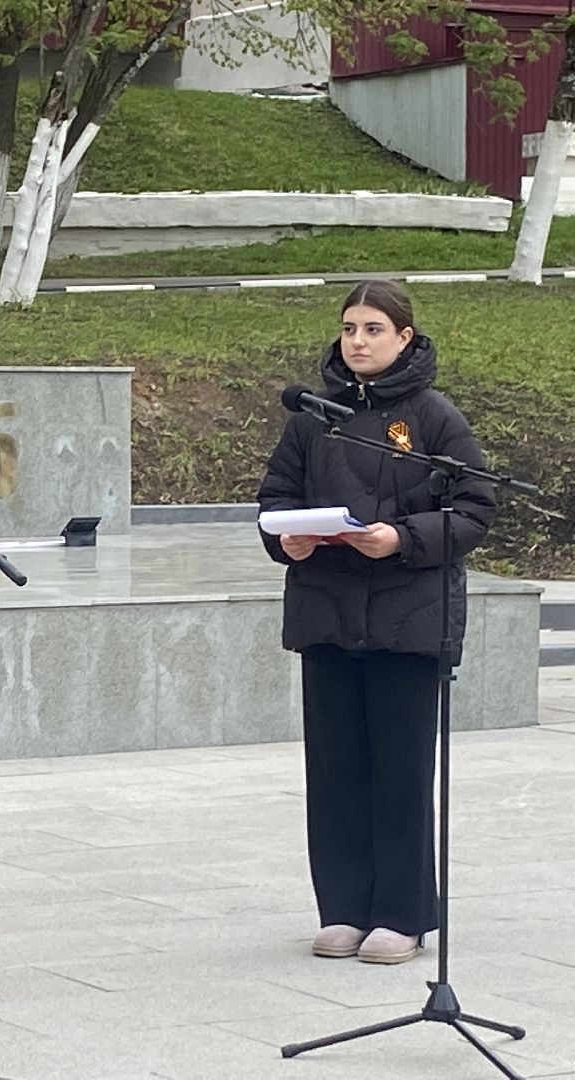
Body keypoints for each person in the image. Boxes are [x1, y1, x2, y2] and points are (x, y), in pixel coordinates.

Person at [256, 280, 495, 965]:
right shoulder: (310, 419)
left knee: (400, 768)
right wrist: (285, 539)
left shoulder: (432, 417)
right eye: (349, 328)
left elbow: (475, 506)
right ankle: (343, 909)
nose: (357, 340)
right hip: (327, 615)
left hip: (407, 619)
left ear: (405, 339)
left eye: (372, 329)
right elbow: (275, 498)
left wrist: (402, 539)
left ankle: (402, 914)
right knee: (335, 770)